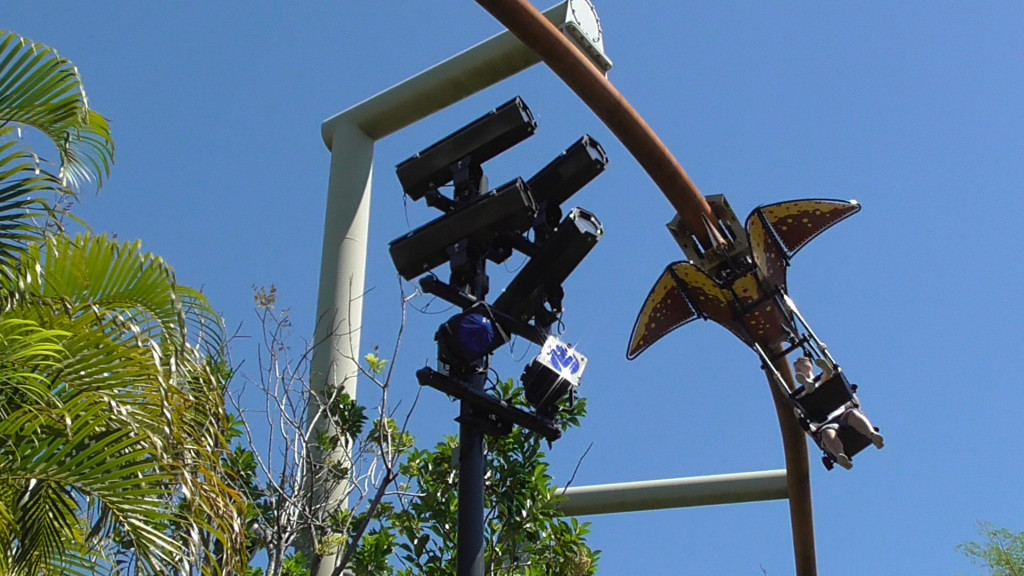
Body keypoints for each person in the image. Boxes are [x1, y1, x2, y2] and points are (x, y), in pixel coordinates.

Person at [793, 352, 884, 470]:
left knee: (853, 414)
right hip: (825, 422)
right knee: (827, 432)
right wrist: (803, 421)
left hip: (841, 412)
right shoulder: (801, 398)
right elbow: (810, 429)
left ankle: (873, 435)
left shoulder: (823, 382)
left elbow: (854, 402)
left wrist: (823, 350)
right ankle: (840, 455)